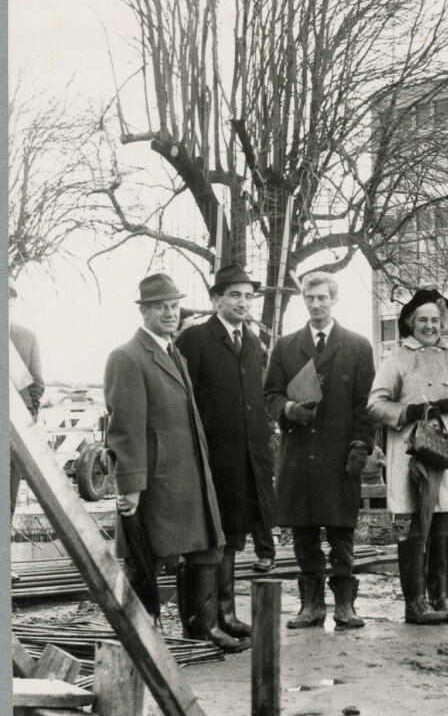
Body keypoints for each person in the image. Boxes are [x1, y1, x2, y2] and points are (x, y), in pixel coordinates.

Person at [103, 273, 240, 650]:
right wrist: (131, 486)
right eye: (160, 307)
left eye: (174, 306)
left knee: (206, 548)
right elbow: (125, 429)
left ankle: (202, 631)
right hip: (157, 481)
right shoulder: (127, 357)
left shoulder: (173, 353)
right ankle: (140, 638)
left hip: (189, 476)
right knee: (146, 558)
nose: (169, 313)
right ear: (144, 312)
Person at [265, 271, 375, 631]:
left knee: (342, 532)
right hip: (299, 455)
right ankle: (311, 606)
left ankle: (345, 606)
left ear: (334, 300)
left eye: (322, 298)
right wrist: (288, 409)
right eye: (309, 298)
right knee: (304, 533)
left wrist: (362, 443)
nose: (316, 305)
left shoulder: (357, 346)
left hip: (340, 455)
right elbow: (270, 395)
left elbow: (366, 403)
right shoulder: (285, 346)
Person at [175, 264, 278, 648]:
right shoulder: (196, 339)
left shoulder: (250, 341)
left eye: (248, 296)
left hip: (245, 460)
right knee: (208, 541)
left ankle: (226, 614)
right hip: (210, 460)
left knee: (233, 536)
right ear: (216, 299)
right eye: (234, 295)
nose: (243, 302)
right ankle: (202, 624)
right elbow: (185, 403)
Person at [367, 288, 448, 625]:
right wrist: (410, 411)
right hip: (413, 452)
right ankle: (415, 603)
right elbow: (375, 404)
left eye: (435, 320)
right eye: (423, 320)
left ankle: (441, 597)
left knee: (443, 519)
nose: (429, 326)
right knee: (419, 521)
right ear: (410, 322)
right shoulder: (397, 359)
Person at [9, 280, 44, 515]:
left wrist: (30, 414)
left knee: (8, 498)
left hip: (17, 429)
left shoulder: (27, 337)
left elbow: (36, 382)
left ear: (11, 300)